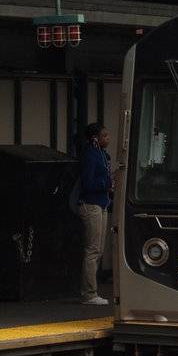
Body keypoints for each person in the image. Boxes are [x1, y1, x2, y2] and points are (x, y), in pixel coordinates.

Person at [78, 122, 112, 307]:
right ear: (95, 138)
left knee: (97, 249)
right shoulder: (90, 155)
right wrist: (106, 184)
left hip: (101, 203)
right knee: (93, 250)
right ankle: (89, 293)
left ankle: (92, 290)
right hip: (91, 203)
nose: (108, 139)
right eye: (104, 136)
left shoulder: (101, 154)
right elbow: (88, 182)